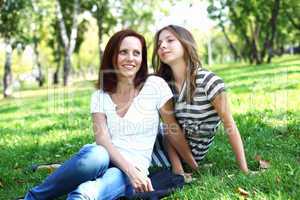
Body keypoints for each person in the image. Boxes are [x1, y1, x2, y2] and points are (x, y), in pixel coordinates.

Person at [24, 29, 197, 200]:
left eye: (136, 53)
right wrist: (130, 170)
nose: (130, 58)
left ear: (142, 59)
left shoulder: (155, 85)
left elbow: (171, 129)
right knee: (96, 154)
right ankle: (32, 197)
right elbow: (102, 140)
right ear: (112, 56)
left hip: (131, 171)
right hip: (100, 159)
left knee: (84, 194)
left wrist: (192, 164)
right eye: (123, 52)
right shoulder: (100, 95)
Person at [151, 25, 249, 175]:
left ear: (185, 43)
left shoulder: (209, 82)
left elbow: (229, 124)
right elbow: (168, 130)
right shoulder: (163, 85)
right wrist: (179, 170)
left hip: (186, 153)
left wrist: (244, 170)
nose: (163, 46)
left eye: (170, 40)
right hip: (163, 149)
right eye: (159, 44)